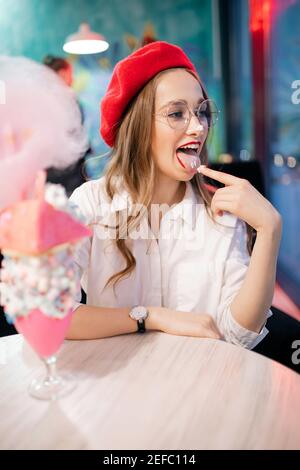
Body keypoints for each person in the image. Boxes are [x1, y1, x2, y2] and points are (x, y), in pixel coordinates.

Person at [68, 41, 300, 373]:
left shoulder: (220, 215)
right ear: (139, 126)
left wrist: (269, 231)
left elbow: (239, 335)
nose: (198, 127)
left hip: (200, 385)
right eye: (177, 113)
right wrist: (152, 317)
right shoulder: (91, 204)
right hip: (114, 388)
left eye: (201, 111)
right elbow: (56, 316)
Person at [43, 55, 90, 195]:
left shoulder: (39, 100)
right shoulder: (68, 99)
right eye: (71, 74)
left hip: (48, 174)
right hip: (69, 175)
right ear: (63, 74)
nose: (73, 79)